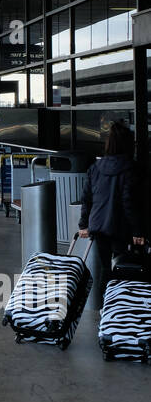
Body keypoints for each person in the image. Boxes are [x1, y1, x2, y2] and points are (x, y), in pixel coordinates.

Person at [78, 121, 145, 291]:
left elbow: (87, 198)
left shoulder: (95, 167)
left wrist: (83, 224)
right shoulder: (131, 168)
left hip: (99, 227)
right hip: (120, 228)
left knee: (106, 268)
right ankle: (120, 306)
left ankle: (105, 308)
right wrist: (138, 231)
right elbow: (129, 202)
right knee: (123, 267)